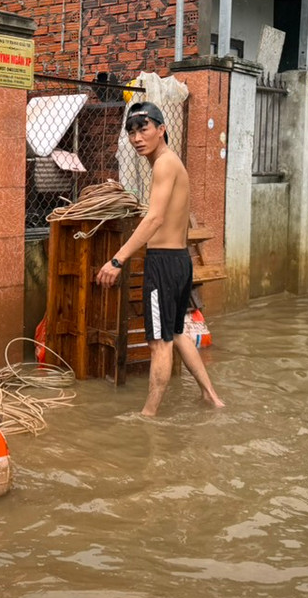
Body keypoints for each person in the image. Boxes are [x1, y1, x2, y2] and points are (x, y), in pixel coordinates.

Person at [94, 102, 225, 417]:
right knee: (177, 333)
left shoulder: (165, 164)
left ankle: (148, 416)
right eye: (132, 132)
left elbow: (154, 219)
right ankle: (211, 396)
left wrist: (117, 260)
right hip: (179, 261)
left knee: (159, 343)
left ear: (162, 129)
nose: (137, 138)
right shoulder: (169, 163)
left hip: (164, 263)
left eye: (144, 129)